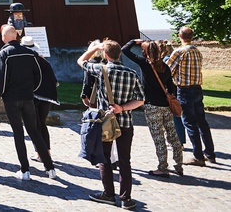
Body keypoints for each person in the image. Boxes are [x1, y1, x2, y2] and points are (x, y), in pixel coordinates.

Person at [78, 39, 146, 209]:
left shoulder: (101, 70)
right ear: (120, 54)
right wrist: (122, 108)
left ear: (105, 54)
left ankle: (108, 194)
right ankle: (126, 198)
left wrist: (94, 48)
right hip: (125, 121)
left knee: (105, 159)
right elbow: (140, 100)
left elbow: (81, 61)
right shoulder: (132, 73)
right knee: (125, 161)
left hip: (105, 122)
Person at [0, 24, 56, 181]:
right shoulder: (30, 53)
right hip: (28, 97)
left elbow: (1, 77)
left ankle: (25, 170)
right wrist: (31, 90)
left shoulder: (4, 54)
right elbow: (38, 76)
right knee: (34, 131)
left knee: (18, 133)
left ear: (4, 38)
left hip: (12, 98)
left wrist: (0, 93)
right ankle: (50, 168)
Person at [122, 38, 183, 177]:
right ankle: (179, 165)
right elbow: (172, 87)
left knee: (159, 138)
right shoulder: (164, 66)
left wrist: (133, 41)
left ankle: (163, 168)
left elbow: (125, 50)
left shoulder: (145, 64)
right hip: (166, 106)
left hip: (152, 106)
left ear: (146, 52)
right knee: (173, 135)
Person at [168, 26, 216, 166]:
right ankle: (210, 153)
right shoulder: (197, 52)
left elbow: (167, 70)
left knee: (189, 123)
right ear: (192, 37)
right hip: (197, 89)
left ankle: (198, 156)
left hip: (184, 90)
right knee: (202, 122)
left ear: (180, 36)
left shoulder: (179, 52)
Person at [23, 35, 59, 163]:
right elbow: (54, 81)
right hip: (46, 97)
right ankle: (47, 151)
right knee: (42, 124)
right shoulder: (44, 62)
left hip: (32, 96)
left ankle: (40, 153)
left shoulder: (27, 63)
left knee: (35, 125)